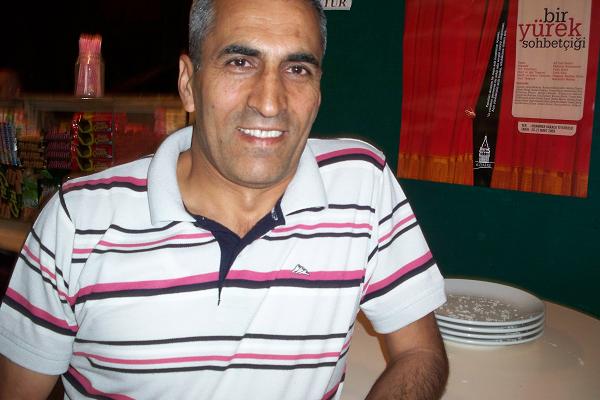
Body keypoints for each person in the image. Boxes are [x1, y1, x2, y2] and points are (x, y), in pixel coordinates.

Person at [0, 0, 449, 398]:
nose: (270, 103)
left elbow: (420, 353)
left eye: (297, 69)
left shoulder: (361, 186)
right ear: (188, 83)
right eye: (239, 62)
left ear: (318, 92)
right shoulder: (78, 221)